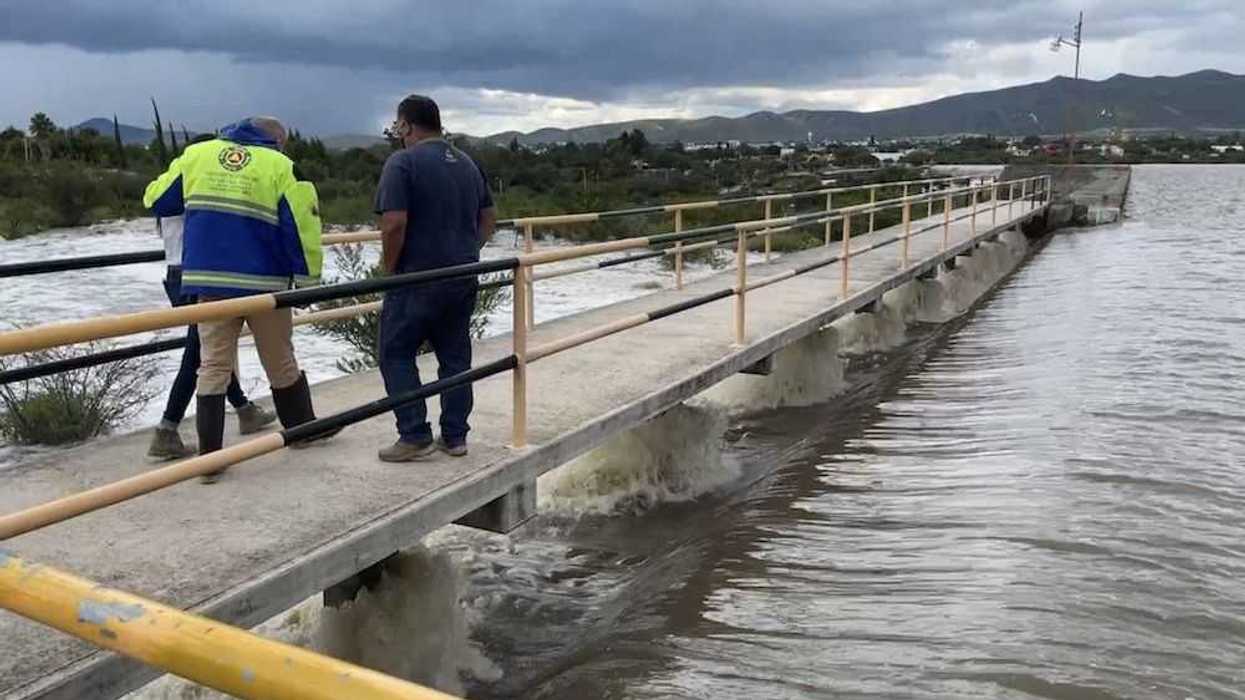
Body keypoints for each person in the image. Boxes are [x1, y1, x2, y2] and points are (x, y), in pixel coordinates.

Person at [143, 116, 334, 483]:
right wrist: (308, 282)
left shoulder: (197, 155)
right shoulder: (281, 166)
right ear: (277, 141)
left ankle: (209, 460)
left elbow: (157, 199)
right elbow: (302, 226)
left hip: (209, 282)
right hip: (264, 284)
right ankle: (302, 432)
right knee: (280, 360)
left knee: (213, 365)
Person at [374, 94, 496, 462]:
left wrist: (390, 269)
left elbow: (394, 223)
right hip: (461, 274)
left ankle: (414, 434)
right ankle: (455, 437)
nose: (397, 132)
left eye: (399, 125)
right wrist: (467, 250)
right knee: (455, 356)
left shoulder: (403, 162)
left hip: (415, 277)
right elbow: (488, 219)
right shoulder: (468, 163)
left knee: (395, 353)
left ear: (407, 125)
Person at [146, 212, 276, 460]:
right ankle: (167, 428)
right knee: (201, 355)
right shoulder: (185, 182)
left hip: (182, 270)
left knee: (210, 350)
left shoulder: (168, 188)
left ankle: (244, 409)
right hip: (196, 272)